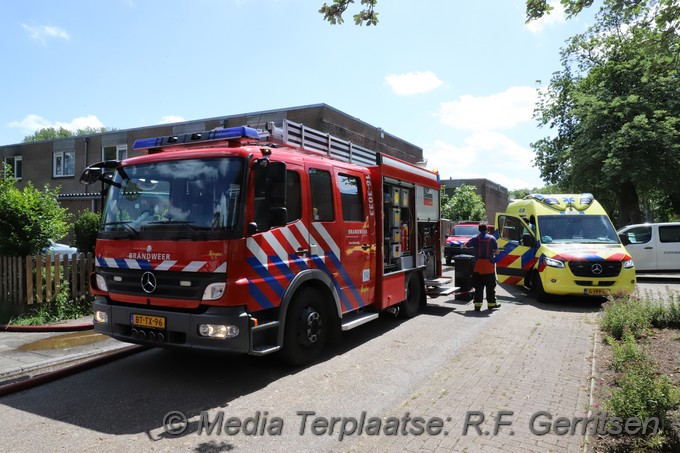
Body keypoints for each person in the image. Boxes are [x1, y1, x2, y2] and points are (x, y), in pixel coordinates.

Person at [465, 223, 500, 312]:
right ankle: (491, 304)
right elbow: (497, 251)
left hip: (478, 266)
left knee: (478, 287)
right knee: (490, 287)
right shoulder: (492, 238)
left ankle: (477, 306)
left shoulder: (475, 238)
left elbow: (466, 245)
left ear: (479, 229)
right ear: (487, 228)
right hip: (489, 266)